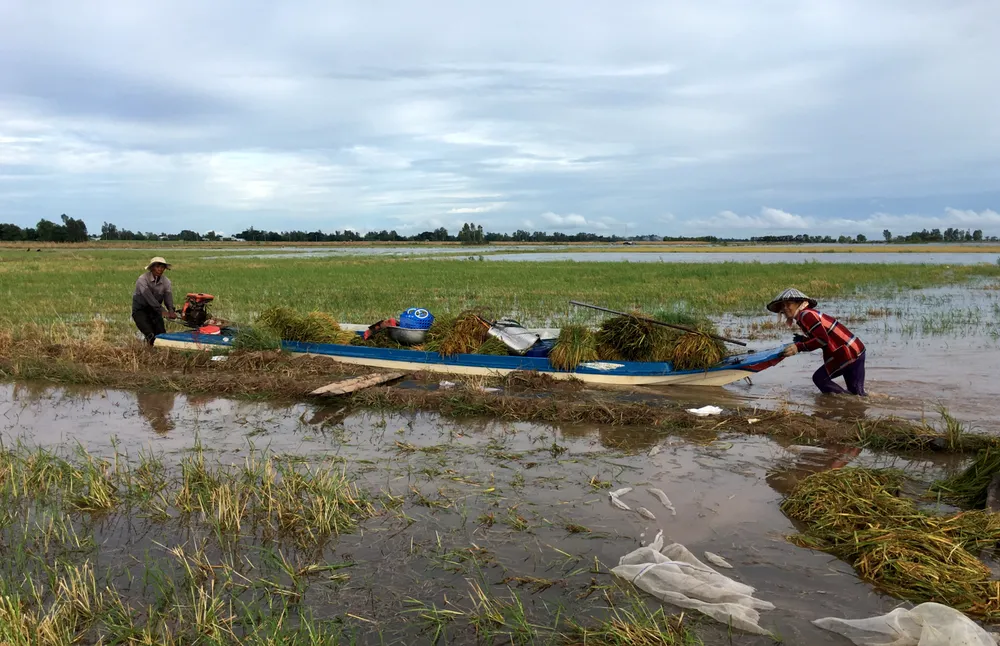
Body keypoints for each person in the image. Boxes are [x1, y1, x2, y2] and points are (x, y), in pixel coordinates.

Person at [767, 288, 866, 396]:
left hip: (848, 353)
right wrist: (804, 340)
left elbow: (822, 340)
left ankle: (848, 403)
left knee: (819, 379)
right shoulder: (806, 315)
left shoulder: (806, 315)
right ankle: (856, 404)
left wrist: (798, 347)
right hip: (854, 350)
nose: (785, 308)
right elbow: (822, 337)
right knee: (858, 394)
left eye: (789, 304)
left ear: (799, 303)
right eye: (783, 305)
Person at [132, 256, 177, 345]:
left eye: (162, 267)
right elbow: (149, 298)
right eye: (157, 266)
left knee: (162, 336)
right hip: (140, 310)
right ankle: (149, 353)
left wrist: (171, 310)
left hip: (155, 311)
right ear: (152, 268)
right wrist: (162, 311)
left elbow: (168, 297)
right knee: (150, 334)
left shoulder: (166, 281)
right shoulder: (142, 279)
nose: (160, 269)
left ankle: (158, 354)